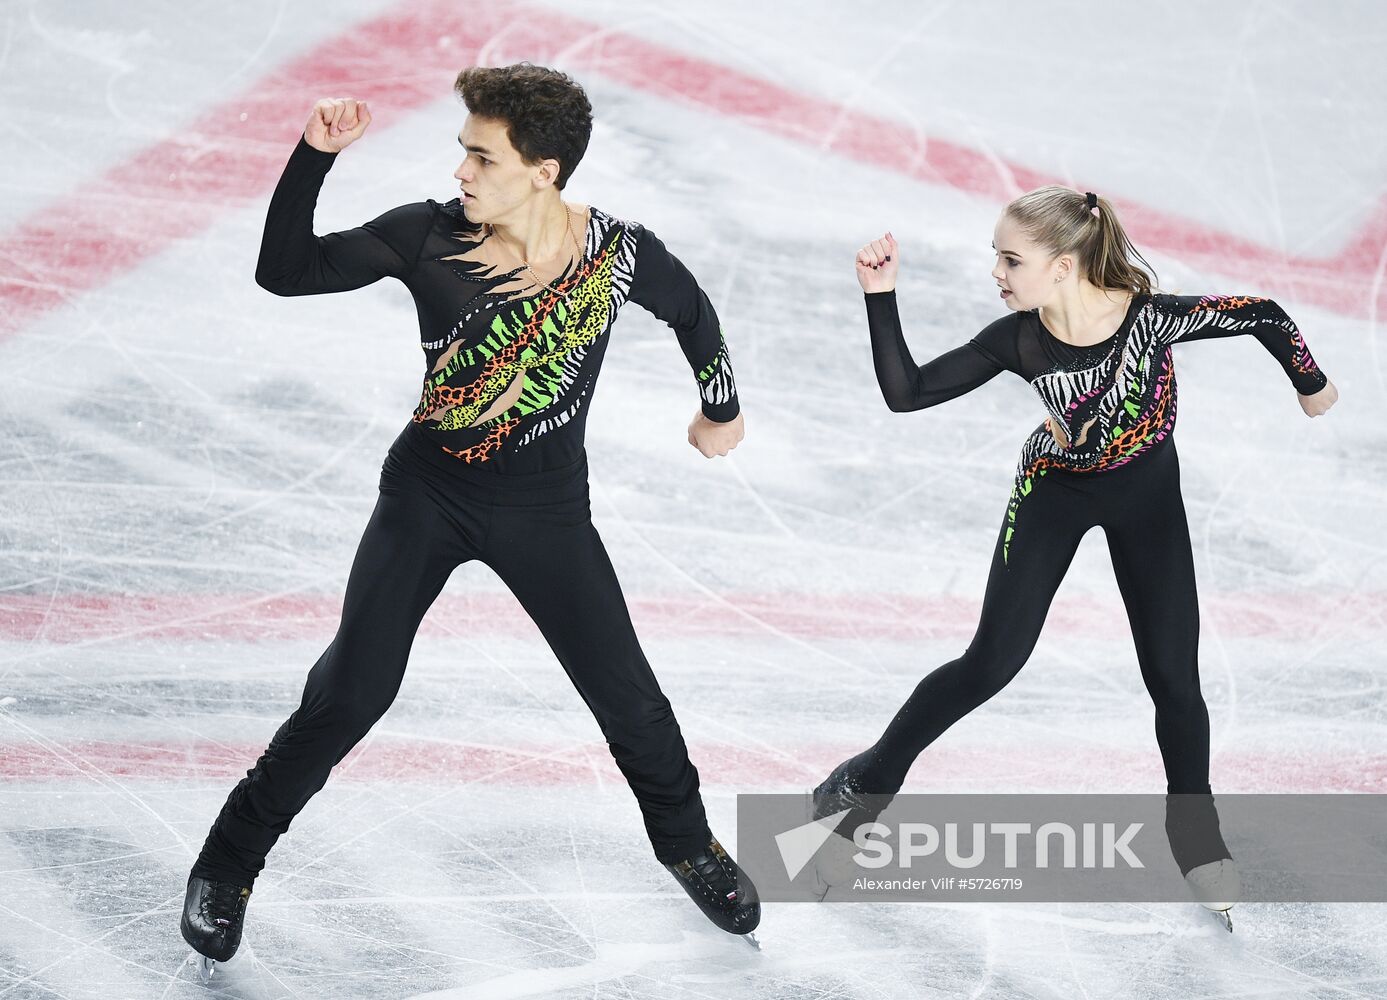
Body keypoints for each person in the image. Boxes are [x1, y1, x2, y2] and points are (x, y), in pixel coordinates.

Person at [180, 63, 759, 975]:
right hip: (428, 497)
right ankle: (225, 863)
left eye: (482, 158)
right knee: (352, 692)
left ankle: (686, 846)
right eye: (462, 152)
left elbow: (693, 312)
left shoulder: (618, 254)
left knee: (630, 700)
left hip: (546, 513)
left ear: (545, 170)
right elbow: (283, 273)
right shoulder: (427, 235)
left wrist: (720, 409)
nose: (461, 173)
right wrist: (312, 158)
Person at [813, 187, 1337, 930]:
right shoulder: (1017, 339)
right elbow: (908, 392)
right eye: (996, 255)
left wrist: (1308, 382)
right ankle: (862, 786)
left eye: (1009, 258)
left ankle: (1193, 834)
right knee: (989, 663)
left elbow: (1262, 315)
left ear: (1062, 267)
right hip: (1052, 493)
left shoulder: (1151, 320)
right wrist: (879, 295)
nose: (995, 271)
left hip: (1147, 500)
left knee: (1174, 681)